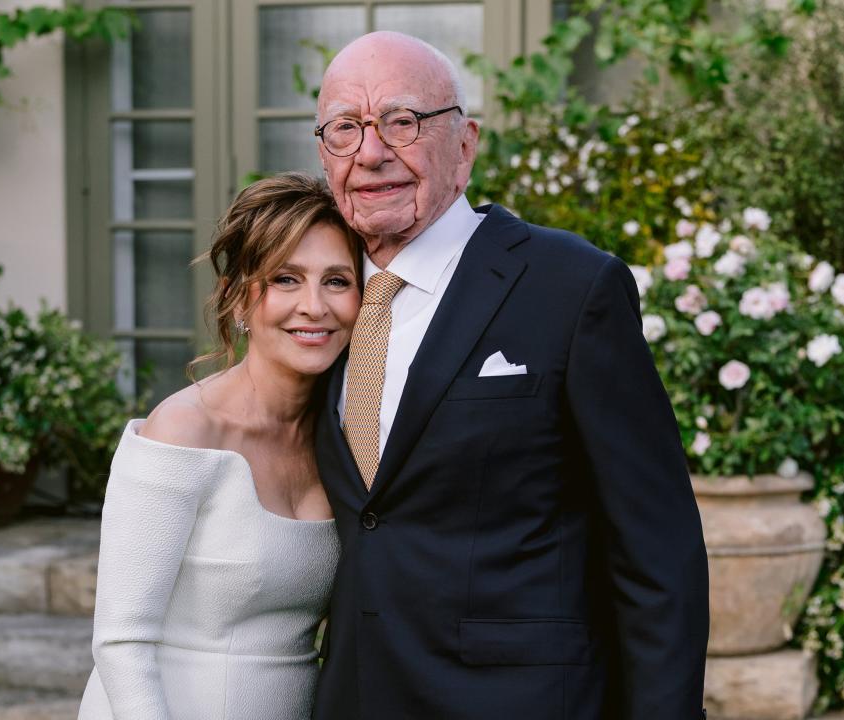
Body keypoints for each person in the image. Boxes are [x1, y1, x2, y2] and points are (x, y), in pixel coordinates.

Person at [311, 32, 710, 720]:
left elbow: (657, 552)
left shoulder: (572, 286)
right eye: (345, 129)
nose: (371, 154)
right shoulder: (318, 301)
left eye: (401, 122)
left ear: (464, 144)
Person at [77, 172, 362, 720]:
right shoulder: (183, 430)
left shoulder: (348, 438)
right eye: (285, 279)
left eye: (336, 280)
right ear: (237, 298)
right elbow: (121, 642)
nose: (314, 306)